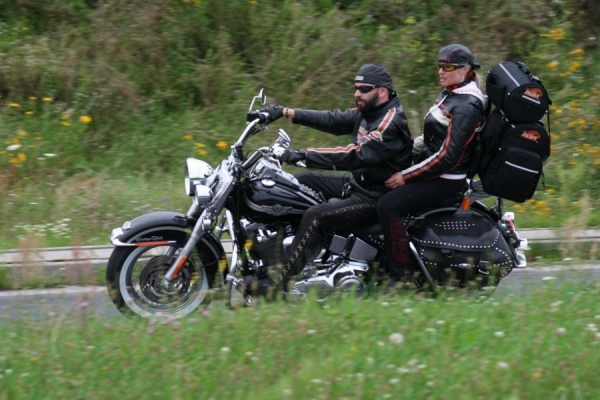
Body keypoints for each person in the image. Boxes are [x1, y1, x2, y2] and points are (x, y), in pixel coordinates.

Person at [260, 63, 413, 298]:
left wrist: (302, 155)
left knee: (316, 216)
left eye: (364, 89)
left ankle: (280, 287)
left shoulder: (389, 122)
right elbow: (333, 120)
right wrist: (285, 112)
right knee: (298, 183)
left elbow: (355, 154)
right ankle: (294, 252)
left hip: (374, 196)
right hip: (358, 183)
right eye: (356, 88)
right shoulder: (368, 111)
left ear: (382, 91)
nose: (357, 93)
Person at [376, 44, 488, 286]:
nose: (441, 71)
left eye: (448, 67)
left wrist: (406, 175)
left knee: (387, 206)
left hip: (445, 180)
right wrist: (399, 152)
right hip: (433, 171)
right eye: (439, 66)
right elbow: (430, 139)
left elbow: (448, 157)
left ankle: (402, 277)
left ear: (465, 70)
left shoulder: (467, 106)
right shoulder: (452, 93)